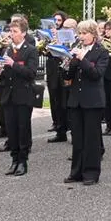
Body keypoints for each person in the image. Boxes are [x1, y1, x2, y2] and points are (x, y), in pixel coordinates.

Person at [64, 20, 109, 185]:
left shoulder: (101, 52)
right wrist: (68, 64)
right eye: (79, 33)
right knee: (78, 138)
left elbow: (96, 74)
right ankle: (76, 172)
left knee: (91, 139)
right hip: (76, 100)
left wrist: (82, 59)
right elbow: (68, 78)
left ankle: (91, 173)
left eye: (84, 33)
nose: (81, 37)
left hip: (93, 101)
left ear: (93, 35)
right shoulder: (77, 51)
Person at [0, 18, 39, 176]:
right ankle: (14, 159)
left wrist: (13, 65)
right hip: (8, 95)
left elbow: (31, 73)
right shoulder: (7, 50)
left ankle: (23, 161)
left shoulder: (30, 50)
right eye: (10, 31)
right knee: (11, 129)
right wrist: (1, 70)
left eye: (15, 31)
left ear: (23, 33)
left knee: (23, 128)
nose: (11, 34)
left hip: (23, 94)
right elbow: (7, 75)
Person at [46, 11, 68, 141]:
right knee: (54, 100)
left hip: (63, 72)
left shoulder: (67, 37)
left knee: (63, 102)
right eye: (55, 20)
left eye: (59, 21)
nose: (57, 23)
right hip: (53, 71)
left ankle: (64, 128)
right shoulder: (51, 37)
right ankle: (58, 126)